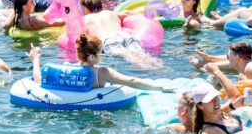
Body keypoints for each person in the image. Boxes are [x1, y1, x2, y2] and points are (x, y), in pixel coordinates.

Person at [28, 36, 171, 92]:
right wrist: (160, 88)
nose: (103, 55)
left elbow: (38, 80)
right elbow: (131, 81)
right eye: (101, 52)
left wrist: (36, 59)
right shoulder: (102, 73)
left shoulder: (67, 68)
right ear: (91, 57)